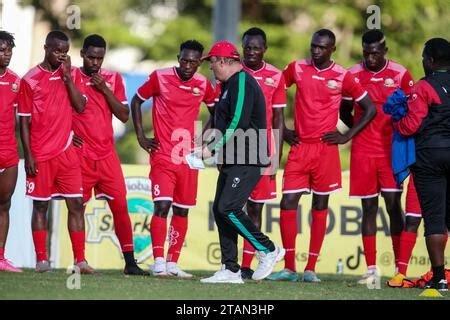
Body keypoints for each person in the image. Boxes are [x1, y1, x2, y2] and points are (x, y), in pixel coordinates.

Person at [269, 29, 376, 283]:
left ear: (332, 50)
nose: (315, 50)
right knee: (288, 202)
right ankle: (290, 267)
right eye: (313, 45)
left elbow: (369, 108)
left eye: (321, 47)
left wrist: (347, 135)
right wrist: (283, 130)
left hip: (326, 150)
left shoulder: (343, 76)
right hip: (300, 147)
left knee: (320, 204)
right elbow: (275, 87)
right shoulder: (296, 68)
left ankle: (311, 268)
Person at [200, 41, 285, 284]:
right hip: (233, 157)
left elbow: (237, 121)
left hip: (248, 157)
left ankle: (268, 249)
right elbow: (223, 122)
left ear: (224, 62)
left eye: (212, 63)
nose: (211, 69)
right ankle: (230, 269)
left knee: (228, 208)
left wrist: (212, 148)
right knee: (220, 209)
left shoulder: (243, 82)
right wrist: (206, 144)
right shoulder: (228, 85)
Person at [131, 40, 216, 277]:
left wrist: (203, 138)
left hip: (189, 158)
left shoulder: (203, 84)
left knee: (182, 211)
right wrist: (141, 136)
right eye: (184, 60)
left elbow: (217, 111)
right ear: (178, 57)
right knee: (162, 206)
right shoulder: (160, 77)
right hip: (163, 156)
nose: (187, 65)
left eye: (193, 62)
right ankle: (158, 262)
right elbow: (136, 100)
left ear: (200, 62)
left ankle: (172, 263)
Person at [339, 29, 416, 284]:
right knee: (368, 208)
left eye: (375, 53)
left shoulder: (401, 74)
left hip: (392, 149)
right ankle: (371, 269)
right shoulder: (352, 74)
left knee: (394, 206)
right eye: (366, 53)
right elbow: (345, 110)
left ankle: (399, 268)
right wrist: (357, 133)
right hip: (363, 151)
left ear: (385, 51)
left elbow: (415, 109)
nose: (370, 58)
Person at [72, 34, 149, 276]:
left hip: (106, 155)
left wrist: (104, 89)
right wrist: (66, 134)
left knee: (120, 207)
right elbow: (57, 107)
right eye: (91, 57)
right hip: (80, 155)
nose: (95, 62)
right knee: (77, 207)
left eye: (100, 58)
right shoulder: (71, 75)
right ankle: (80, 261)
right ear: (83, 54)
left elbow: (124, 114)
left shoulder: (113, 78)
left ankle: (130, 263)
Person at [18, 31, 94, 273]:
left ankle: (80, 261)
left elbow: (80, 107)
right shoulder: (29, 79)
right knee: (41, 207)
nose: (61, 55)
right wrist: (28, 154)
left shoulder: (70, 74)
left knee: (77, 203)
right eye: (56, 50)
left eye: (65, 51)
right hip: (40, 154)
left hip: (66, 151)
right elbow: (24, 121)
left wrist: (67, 79)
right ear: (45, 48)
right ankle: (42, 261)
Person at [394, 38, 450, 291]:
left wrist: (397, 118)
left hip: (430, 157)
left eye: (424, 58)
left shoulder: (423, 87)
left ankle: (439, 278)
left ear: (430, 60)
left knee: (435, 220)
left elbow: (410, 125)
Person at [237, 27, 286, 280]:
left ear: (264, 49)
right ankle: (232, 264)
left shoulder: (276, 76)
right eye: (248, 47)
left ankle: (249, 263)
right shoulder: (233, 72)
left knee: (255, 208)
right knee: (233, 206)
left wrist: (275, 154)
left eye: (257, 47)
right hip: (235, 146)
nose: (252, 52)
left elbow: (278, 116)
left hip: (262, 147)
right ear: (242, 47)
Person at [0, 31, 22, 273]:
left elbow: (21, 121)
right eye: (2, 50)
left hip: (8, 152)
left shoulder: (16, 81)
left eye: (9, 51)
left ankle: (1, 257)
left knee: (4, 204)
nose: (6, 55)